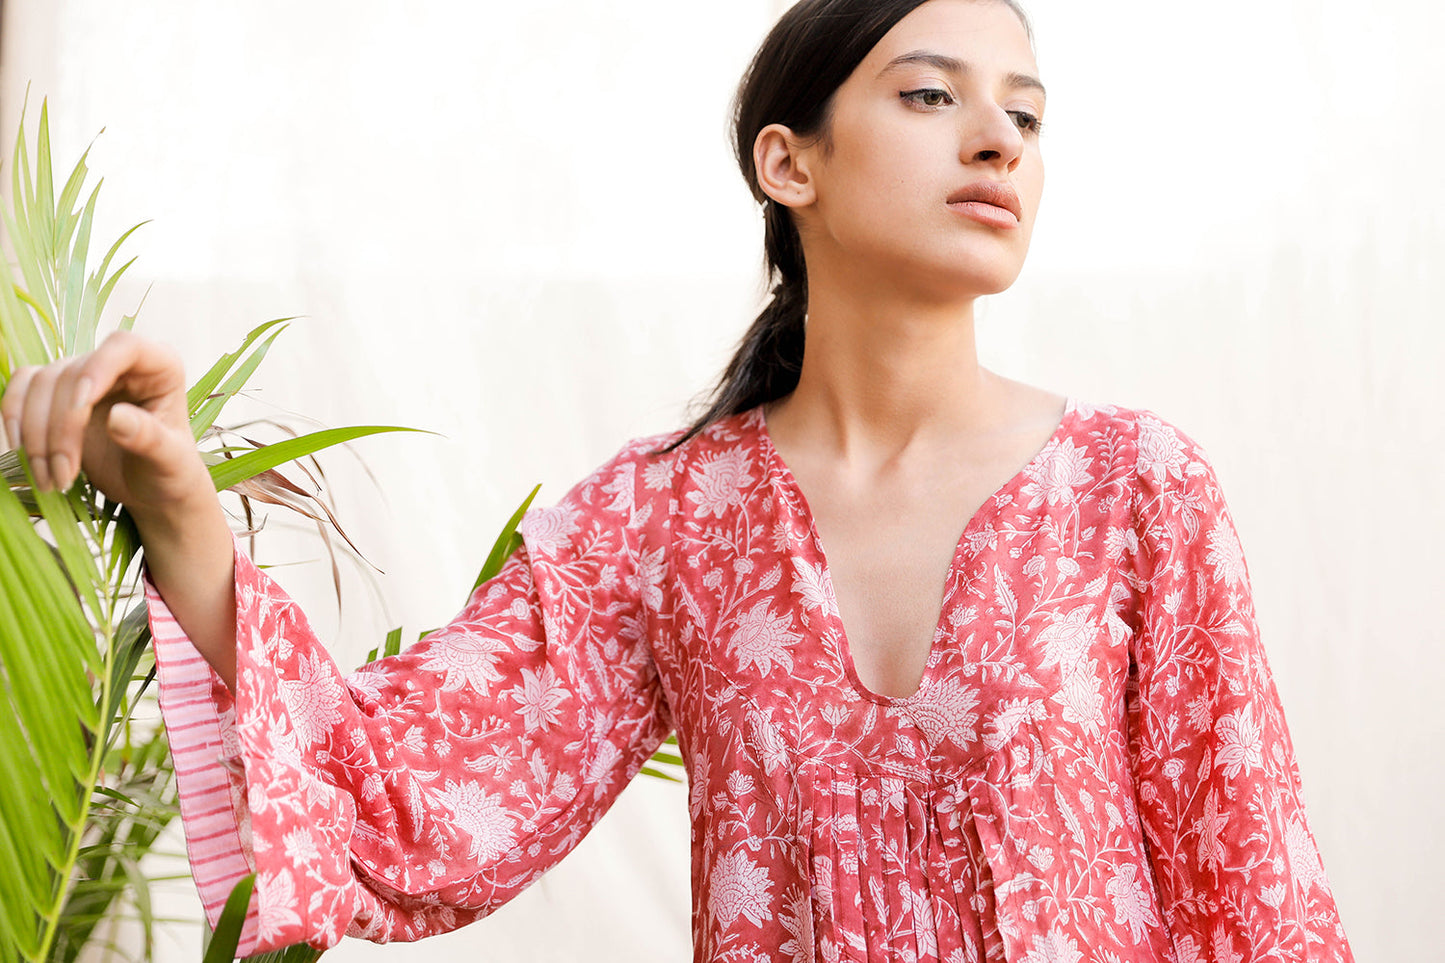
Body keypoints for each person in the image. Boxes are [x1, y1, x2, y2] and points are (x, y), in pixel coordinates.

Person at [2, 0, 1355, 959]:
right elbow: (406, 794)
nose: (998, 139)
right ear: (789, 160)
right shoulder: (658, 523)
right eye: (931, 94)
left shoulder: (1133, 489)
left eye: (1027, 114)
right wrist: (177, 500)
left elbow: (1256, 900)